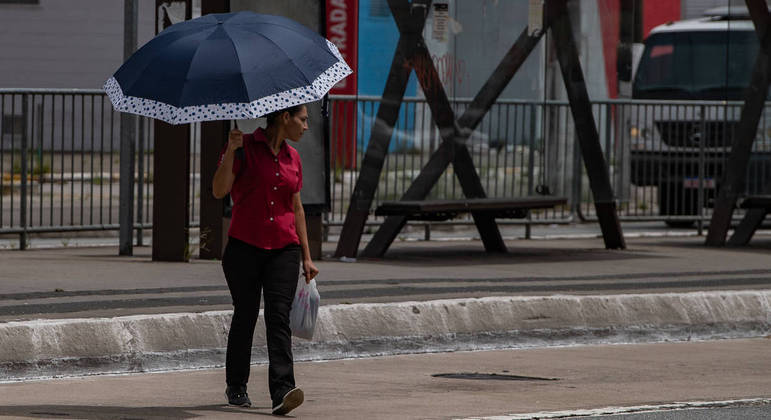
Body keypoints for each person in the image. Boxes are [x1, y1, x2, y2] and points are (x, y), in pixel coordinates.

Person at [212, 104, 319, 415]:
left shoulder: (292, 158)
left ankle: (283, 390)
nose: (306, 127)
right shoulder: (243, 147)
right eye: (302, 120)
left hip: (284, 249)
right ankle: (236, 386)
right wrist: (231, 151)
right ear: (284, 118)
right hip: (244, 248)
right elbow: (219, 191)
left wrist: (307, 257)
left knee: (278, 317)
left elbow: (296, 208)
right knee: (245, 315)